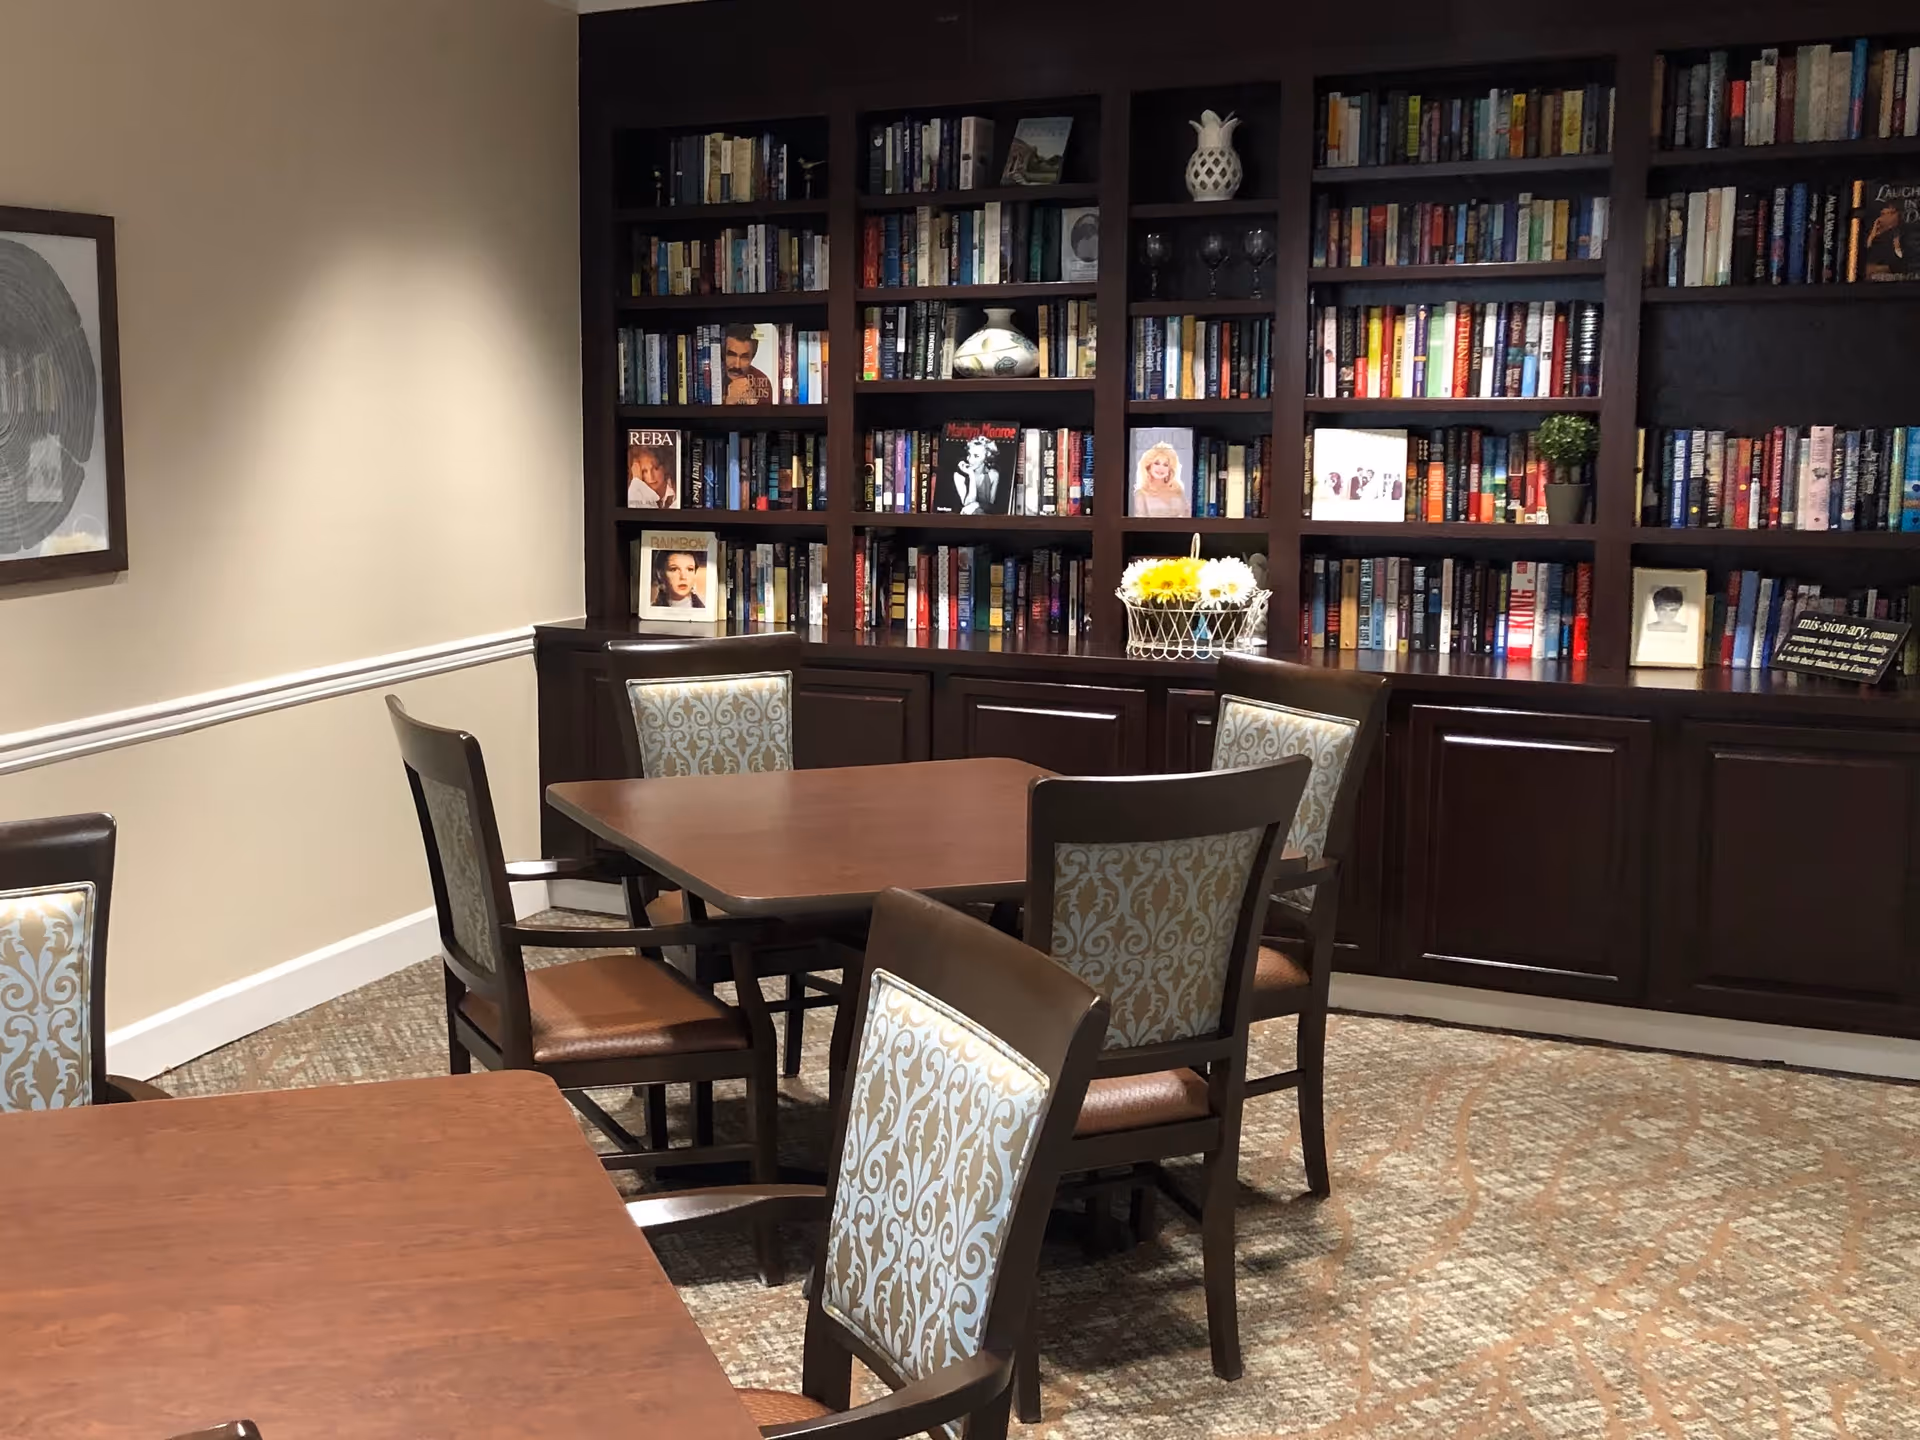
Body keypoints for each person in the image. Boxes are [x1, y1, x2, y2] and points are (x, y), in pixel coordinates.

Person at [721, 323, 773, 405]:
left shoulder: (761, 381)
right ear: (723, 354)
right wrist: (729, 403)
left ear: (752, 357)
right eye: (731, 355)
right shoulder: (708, 378)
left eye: (744, 357)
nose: (737, 365)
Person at [1133, 441, 1187, 518]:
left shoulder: (1178, 491)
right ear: (1148, 466)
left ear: (1170, 469)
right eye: (1156, 463)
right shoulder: (1141, 494)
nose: (1160, 468)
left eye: (1165, 465)